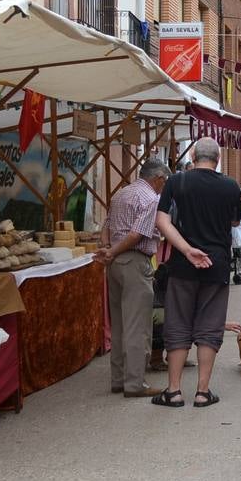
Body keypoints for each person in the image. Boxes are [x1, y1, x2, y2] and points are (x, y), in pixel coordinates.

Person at [153, 137, 241, 409]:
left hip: (183, 263)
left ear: (193, 154)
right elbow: (235, 220)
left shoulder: (176, 181)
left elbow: (161, 220)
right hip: (216, 263)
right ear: (218, 158)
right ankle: (203, 392)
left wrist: (186, 248)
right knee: (210, 325)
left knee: (178, 322)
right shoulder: (230, 186)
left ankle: (174, 391)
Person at [98, 158, 171, 398]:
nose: (164, 186)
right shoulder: (151, 199)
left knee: (118, 323)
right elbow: (137, 233)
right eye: (164, 181)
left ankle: (118, 379)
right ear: (158, 178)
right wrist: (114, 250)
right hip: (134, 261)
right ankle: (135, 383)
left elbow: (107, 224)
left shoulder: (122, 193)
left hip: (116, 264)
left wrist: (108, 248)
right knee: (137, 326)